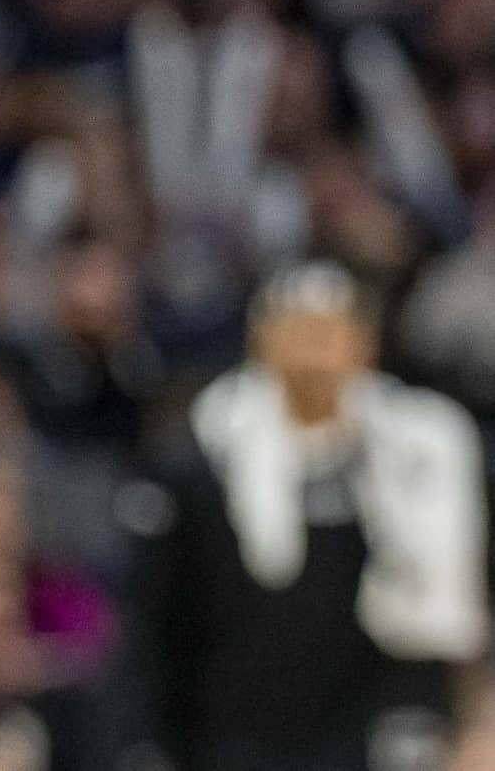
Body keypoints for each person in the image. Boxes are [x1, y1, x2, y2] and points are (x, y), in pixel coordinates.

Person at [123, 262, 488, 771]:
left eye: (332, 328)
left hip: (362, 729)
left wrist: (442, 718)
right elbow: (156, 616)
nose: (316, 344)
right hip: (228, 732)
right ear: (261, 339)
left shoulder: (417, 456)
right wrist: (145, 739)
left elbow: (442, 606)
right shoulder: (205, 458)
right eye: (298, 328)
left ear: (366, 342)